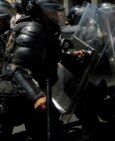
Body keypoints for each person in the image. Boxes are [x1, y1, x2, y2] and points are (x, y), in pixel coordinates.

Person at [0, 0, 86, 141]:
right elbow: (16, 67)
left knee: (49, 131)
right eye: (52, 10)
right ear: (39, 11)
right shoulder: (32, 28)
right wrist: (37, 96)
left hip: (35, 91)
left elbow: (45, 54)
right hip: (24, 95)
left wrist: (71, 54)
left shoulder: (44, 28)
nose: (57, 15)